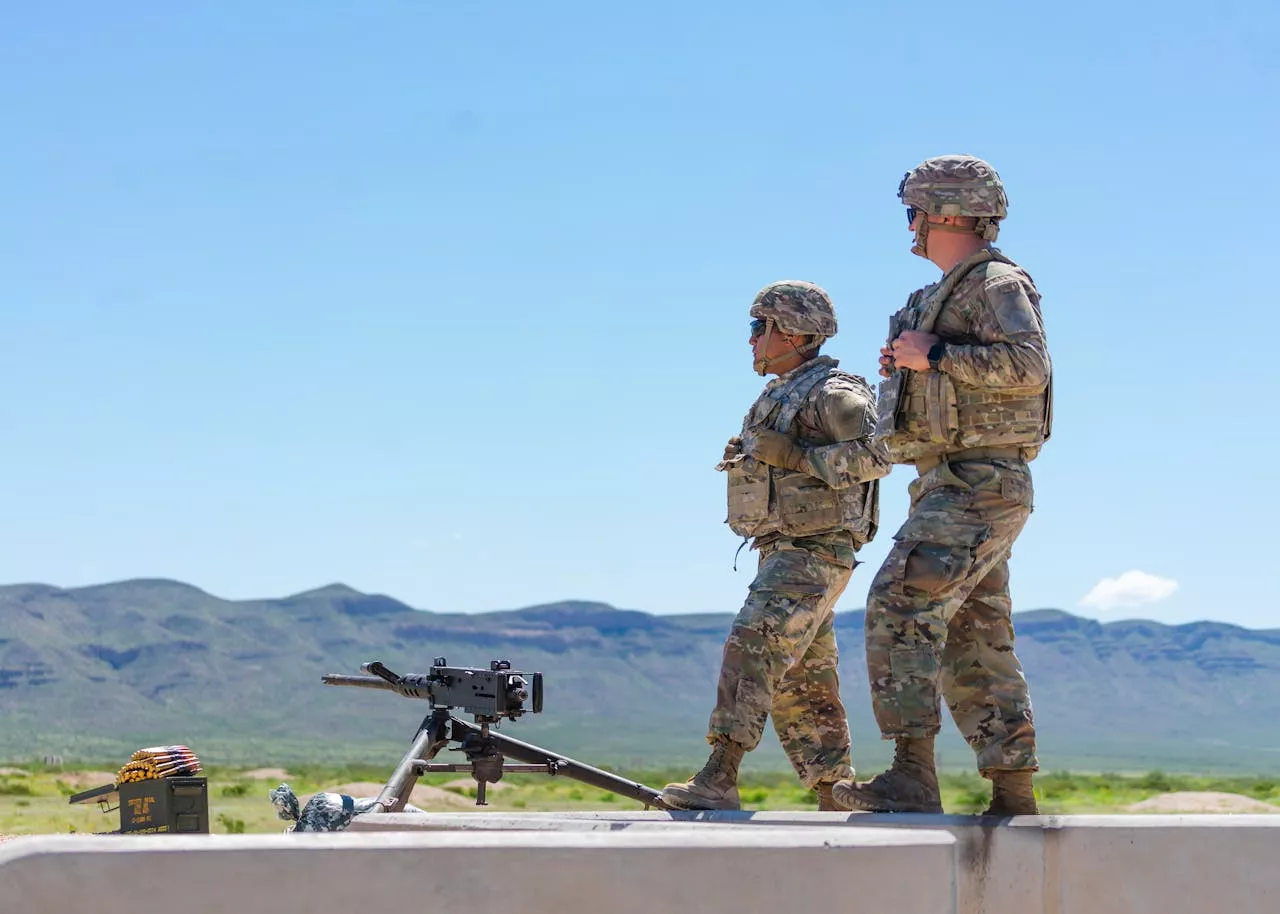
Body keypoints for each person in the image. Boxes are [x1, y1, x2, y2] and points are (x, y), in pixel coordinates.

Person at [832, 154, 1053, 816]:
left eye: (915, 214)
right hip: (952, 481)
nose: (911, 227)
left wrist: (935, 357)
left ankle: (911, 774)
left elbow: (1028, 366)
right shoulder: (939, 295)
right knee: (974, 634)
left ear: (943, 214)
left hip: (978, 481)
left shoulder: (996, 283)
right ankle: (1012, 792)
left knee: (900, 603)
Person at [660, 281, 888, 811]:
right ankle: (834, 791)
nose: (751, 340)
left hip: (814, 548)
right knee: (801, 677)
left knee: (754, 643)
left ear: (791, 331)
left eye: (758, 327)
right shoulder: (781, 392)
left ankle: (721, 773)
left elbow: (878, 456)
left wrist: (793, 457)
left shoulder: (835, 393)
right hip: (787, 548)